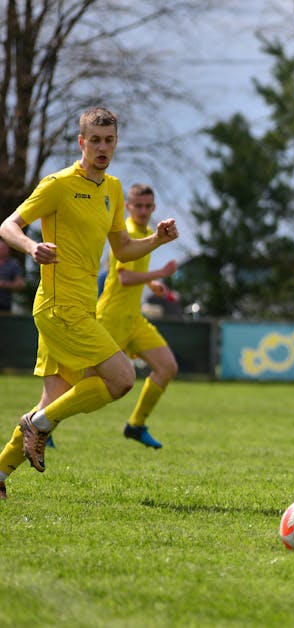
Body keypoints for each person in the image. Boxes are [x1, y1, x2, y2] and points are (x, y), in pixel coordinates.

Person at [0, 107, 179, 499]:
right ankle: (38, 423)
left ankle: (1, 471)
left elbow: (124, 248)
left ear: (116, 143)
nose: (102, 147)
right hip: (57, 306)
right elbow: (8, 225)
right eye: (95, 140)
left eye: (109, 140)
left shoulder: (113, 189)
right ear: (81, 142)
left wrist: (157, 241)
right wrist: (32, 246)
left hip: (81, 307)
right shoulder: (58, 184)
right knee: (122, 379)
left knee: (55, 401)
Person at [96, 183, 180, 449]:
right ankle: (43, 426)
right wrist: (159, 274)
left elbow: (131, 275)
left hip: (133, 319)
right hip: (110, 319)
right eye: (138, 206)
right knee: (84, 382)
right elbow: (123, 278)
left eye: (148, 206)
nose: (143, 211)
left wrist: (150, 285)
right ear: (128, 207)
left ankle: (136, 425)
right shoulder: (129, 232)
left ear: (153, 208)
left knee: (167, 367)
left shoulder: (144, 233)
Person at [0, 240, 26, 313]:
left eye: (4, 248)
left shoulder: (13, 264)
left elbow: (20, 284)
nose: (2, 250)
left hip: (5, 304)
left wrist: (4, 284)